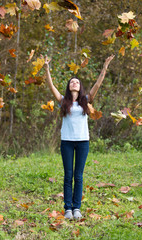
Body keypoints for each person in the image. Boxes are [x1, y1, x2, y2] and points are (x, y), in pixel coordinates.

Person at [44, 54, 114, 219]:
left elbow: (98, 84)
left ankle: (77, 209)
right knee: (68, 175)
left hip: (83, 142)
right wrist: (47, 69)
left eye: (76, 81)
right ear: (69, 87)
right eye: (71, 82)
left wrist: (104, 67)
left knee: (78, 175)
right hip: (67, 142)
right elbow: (51, 86)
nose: (74, 82)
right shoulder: (63, 101)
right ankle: (67, 208)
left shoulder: (86, 100)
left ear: (80, 86)